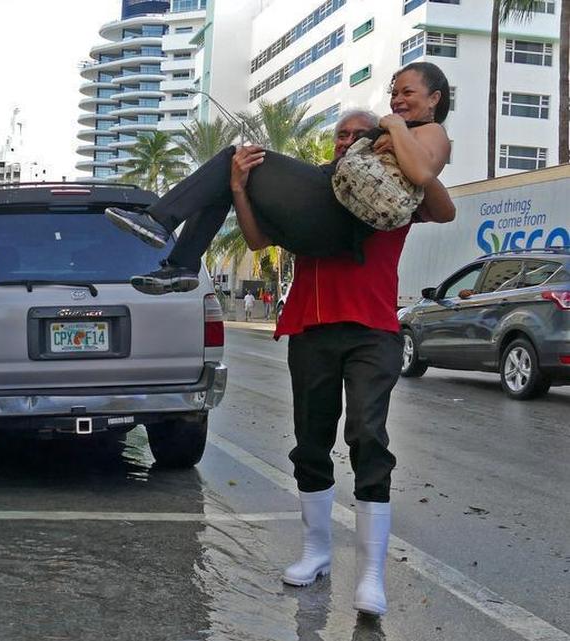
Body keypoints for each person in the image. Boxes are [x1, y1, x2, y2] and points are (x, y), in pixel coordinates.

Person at [231, 68, 455, 617]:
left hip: (373, 329)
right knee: (310, 442)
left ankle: (371, 575)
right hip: (309, 327)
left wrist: (396, 140)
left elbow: (443, 206)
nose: (348, 142)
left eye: (359, 135)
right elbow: (258, 238)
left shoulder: (393, 183)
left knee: (367, 438)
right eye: (340, 135)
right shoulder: (311, 192)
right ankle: (316, 552)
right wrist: (239, 186)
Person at [105, 63, 453, 298]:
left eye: (408, 93)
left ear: (434, 99)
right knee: (233, 170)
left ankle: (160, 223)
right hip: (323, 226)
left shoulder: (430, 131)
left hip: (333, 213)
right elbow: (257, 241)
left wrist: (392, 126)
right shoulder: (400, 134)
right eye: (394, 94)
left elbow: (423, 174)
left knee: (232, 155)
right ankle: (180, 264)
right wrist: (239, 187)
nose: (397, 100)